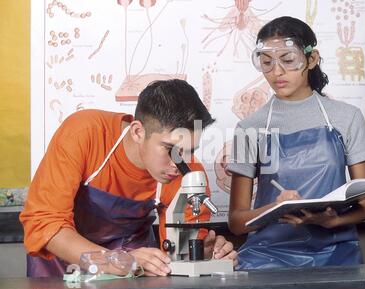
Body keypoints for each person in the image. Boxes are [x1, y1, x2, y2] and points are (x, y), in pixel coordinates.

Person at [20, 79, 237, 278]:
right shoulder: (84, 133)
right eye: (170, 149)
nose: (178, 163)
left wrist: (204, 254)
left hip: (134, 271)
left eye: (190, 150)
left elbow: (178, 257)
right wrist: (115, 260)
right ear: (137, 132)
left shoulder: (189, 172)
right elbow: (44, 223)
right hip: (61, 266)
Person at [227, 16, 365, 269]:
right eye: (267, 62)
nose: (277, 72)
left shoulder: (347, 117)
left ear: (311, 59)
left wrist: (332, 221)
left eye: (287, 60)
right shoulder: (248, 128)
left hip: (336, 253)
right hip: (267, 258)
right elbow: (237, 222)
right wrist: (274, 208)